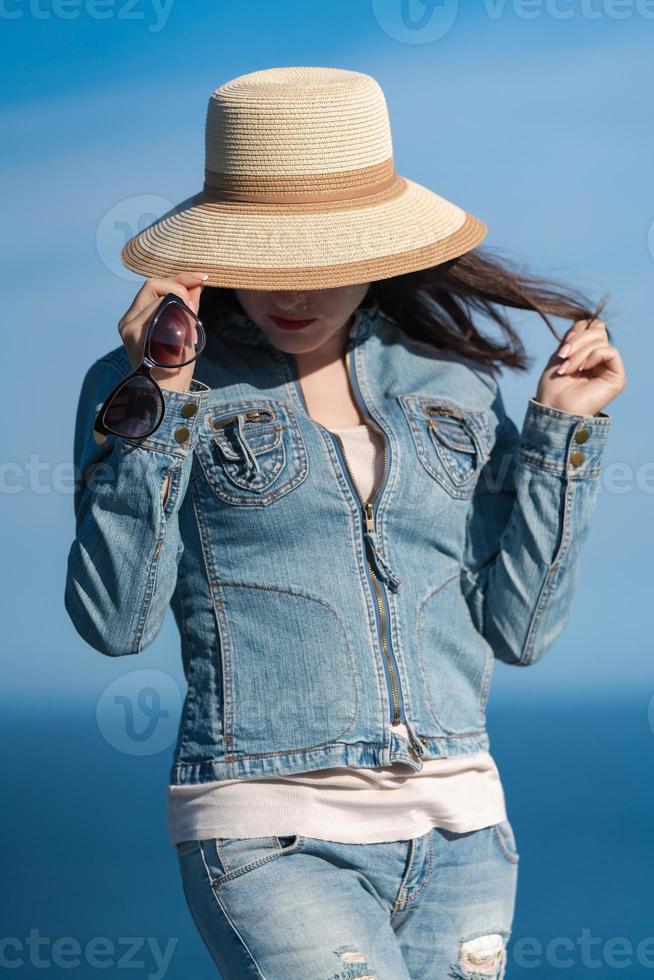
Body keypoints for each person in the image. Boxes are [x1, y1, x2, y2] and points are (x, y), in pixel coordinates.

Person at [65, 66, 625, 979]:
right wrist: (160, 403)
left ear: (380, 247)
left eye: (326, 255)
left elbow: (519, 631)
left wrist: (563, 433)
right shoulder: (144, 388)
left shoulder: (452, 382)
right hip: (270, 836)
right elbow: (116, 622)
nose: (294, 288)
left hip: (463, 833)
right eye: (265, 253)